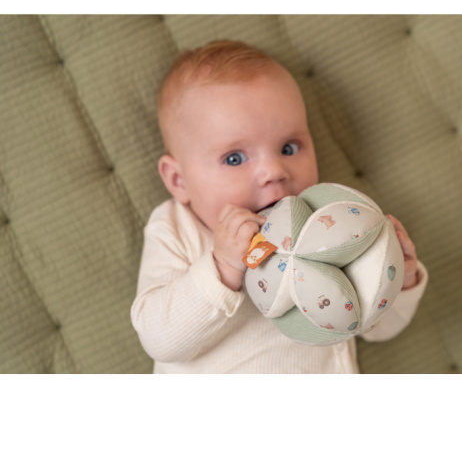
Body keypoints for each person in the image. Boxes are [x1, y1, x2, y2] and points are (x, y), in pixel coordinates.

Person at [131, 40, 428, 373]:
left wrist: (397, 279)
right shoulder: (175, 228)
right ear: (179, 180)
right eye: (234, 158)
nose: (274, 171)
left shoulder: (329, 224)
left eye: (288, 148)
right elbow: (159, 340)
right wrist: (222, 267)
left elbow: (376, 327)